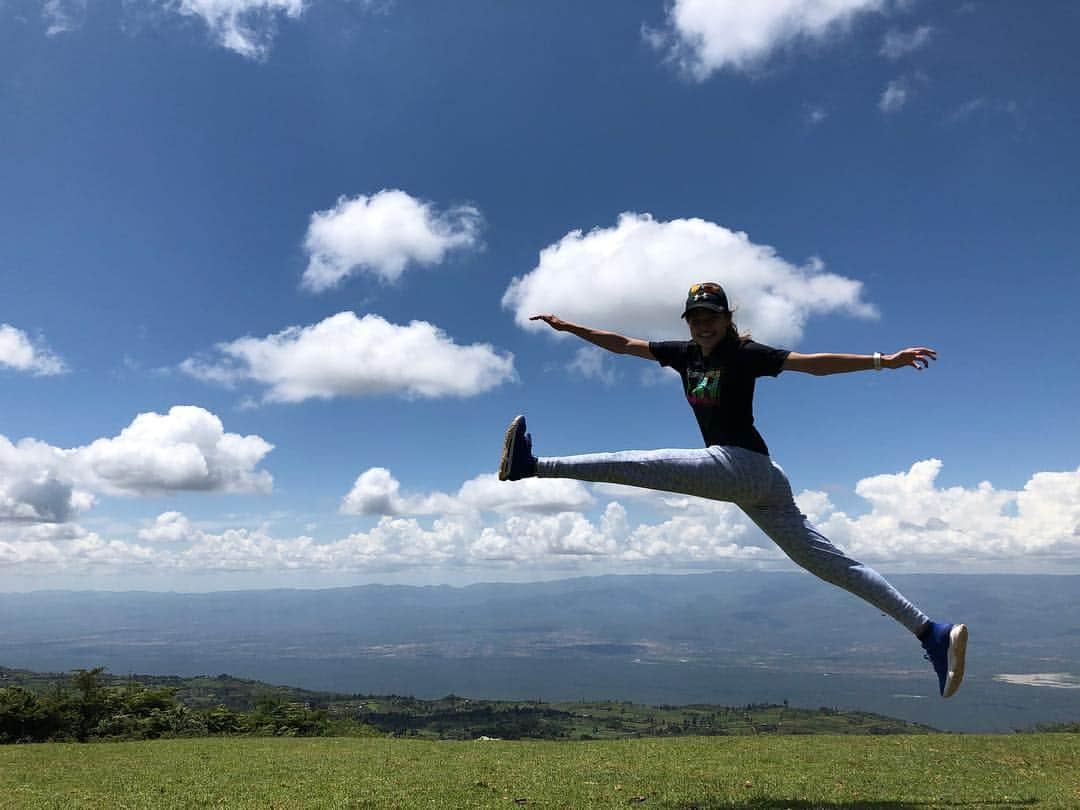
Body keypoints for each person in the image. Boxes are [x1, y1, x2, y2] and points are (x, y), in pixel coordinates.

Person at [498, 282, 968, 698]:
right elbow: (622, 344)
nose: (703, 325)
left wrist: (883, 361)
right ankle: (931, 631)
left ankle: (532, 465)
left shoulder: (745, 354)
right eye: (696, 318)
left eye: (711, 317)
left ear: (727, 319)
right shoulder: (681, 354)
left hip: (741, 465)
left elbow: (813, 365)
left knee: (644, 465)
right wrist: (569, 327)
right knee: (830, 564)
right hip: (760, 481)